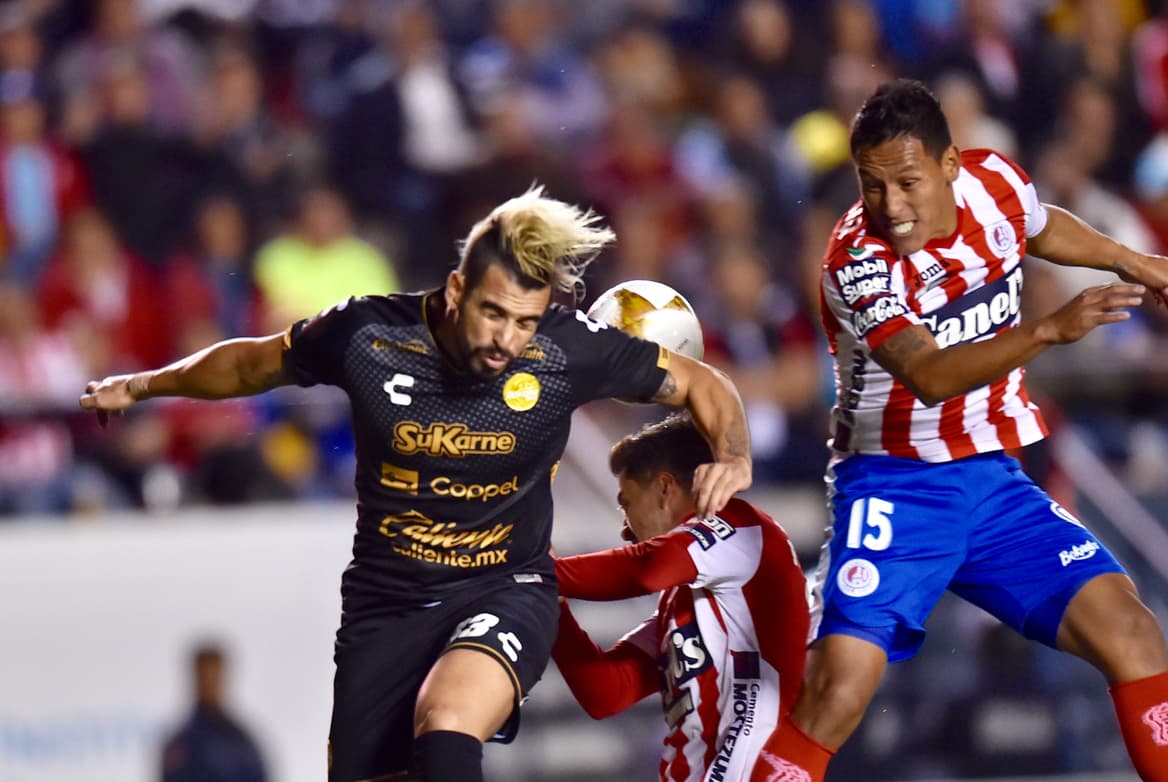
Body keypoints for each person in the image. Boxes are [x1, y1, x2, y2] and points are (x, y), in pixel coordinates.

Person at [80, 186, 753, 782]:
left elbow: (701, 383)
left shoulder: (568, 346)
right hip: (387, 603)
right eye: (494, 313)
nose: (508, 340)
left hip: (504, 585)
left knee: (449, 715)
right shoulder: (367, 334)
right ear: (457, 290)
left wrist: (734, 453)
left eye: (526, 321)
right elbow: (249, 366)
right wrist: (144, 385)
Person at [749, 79, 1168, 782]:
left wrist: (1127, 257)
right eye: (872, 187)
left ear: (950, 165)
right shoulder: (857, 261)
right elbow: (930, 375)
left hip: (994, 482)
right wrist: (1051, 329)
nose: (891, 207)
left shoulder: (995, 180)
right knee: (837, 691)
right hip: (894, 486)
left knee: (1131, 631)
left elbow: (1039, 224)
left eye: (906, 183)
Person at [553, 413, 809, 781]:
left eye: (626, 504)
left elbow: (648, 569)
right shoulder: (687, 603)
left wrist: (542, 571)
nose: (625, 529)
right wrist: (553, 607)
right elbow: (607, 691)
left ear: (664, 488)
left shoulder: (741, 525)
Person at [159, 642, 269, 782]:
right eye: (206, 676)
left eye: (215, 675)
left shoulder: (243, 741)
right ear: (196, 677)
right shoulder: (181, 743)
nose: (211, 683)